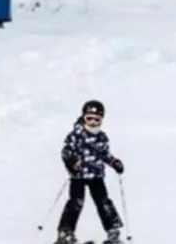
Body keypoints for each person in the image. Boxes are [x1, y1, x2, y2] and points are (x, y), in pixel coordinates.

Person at [57, 100, 125, 244]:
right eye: (89, 119)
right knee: (76, 201)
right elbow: (66, 151)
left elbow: (105, 155)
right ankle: (65, 232)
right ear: (83, 117)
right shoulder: (76, 135)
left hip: (96, 176)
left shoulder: (102, 137)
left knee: (103, 202)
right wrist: (70, 162)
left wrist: (114, 162)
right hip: (78, 175)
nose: (93, 123)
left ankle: (113, 231)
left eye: (97, 120)